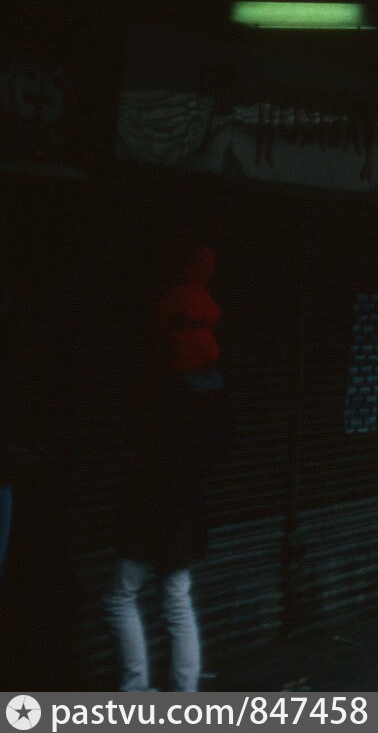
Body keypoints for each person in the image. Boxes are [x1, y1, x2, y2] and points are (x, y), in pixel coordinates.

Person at [107, 247, 230, 693]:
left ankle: (136, 692)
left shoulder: (158, 377)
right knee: (177, 598)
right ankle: (185, 695)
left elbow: (137, 440)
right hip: (186, 507)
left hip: (146, 505)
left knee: (121, 595)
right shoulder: (215, 380)